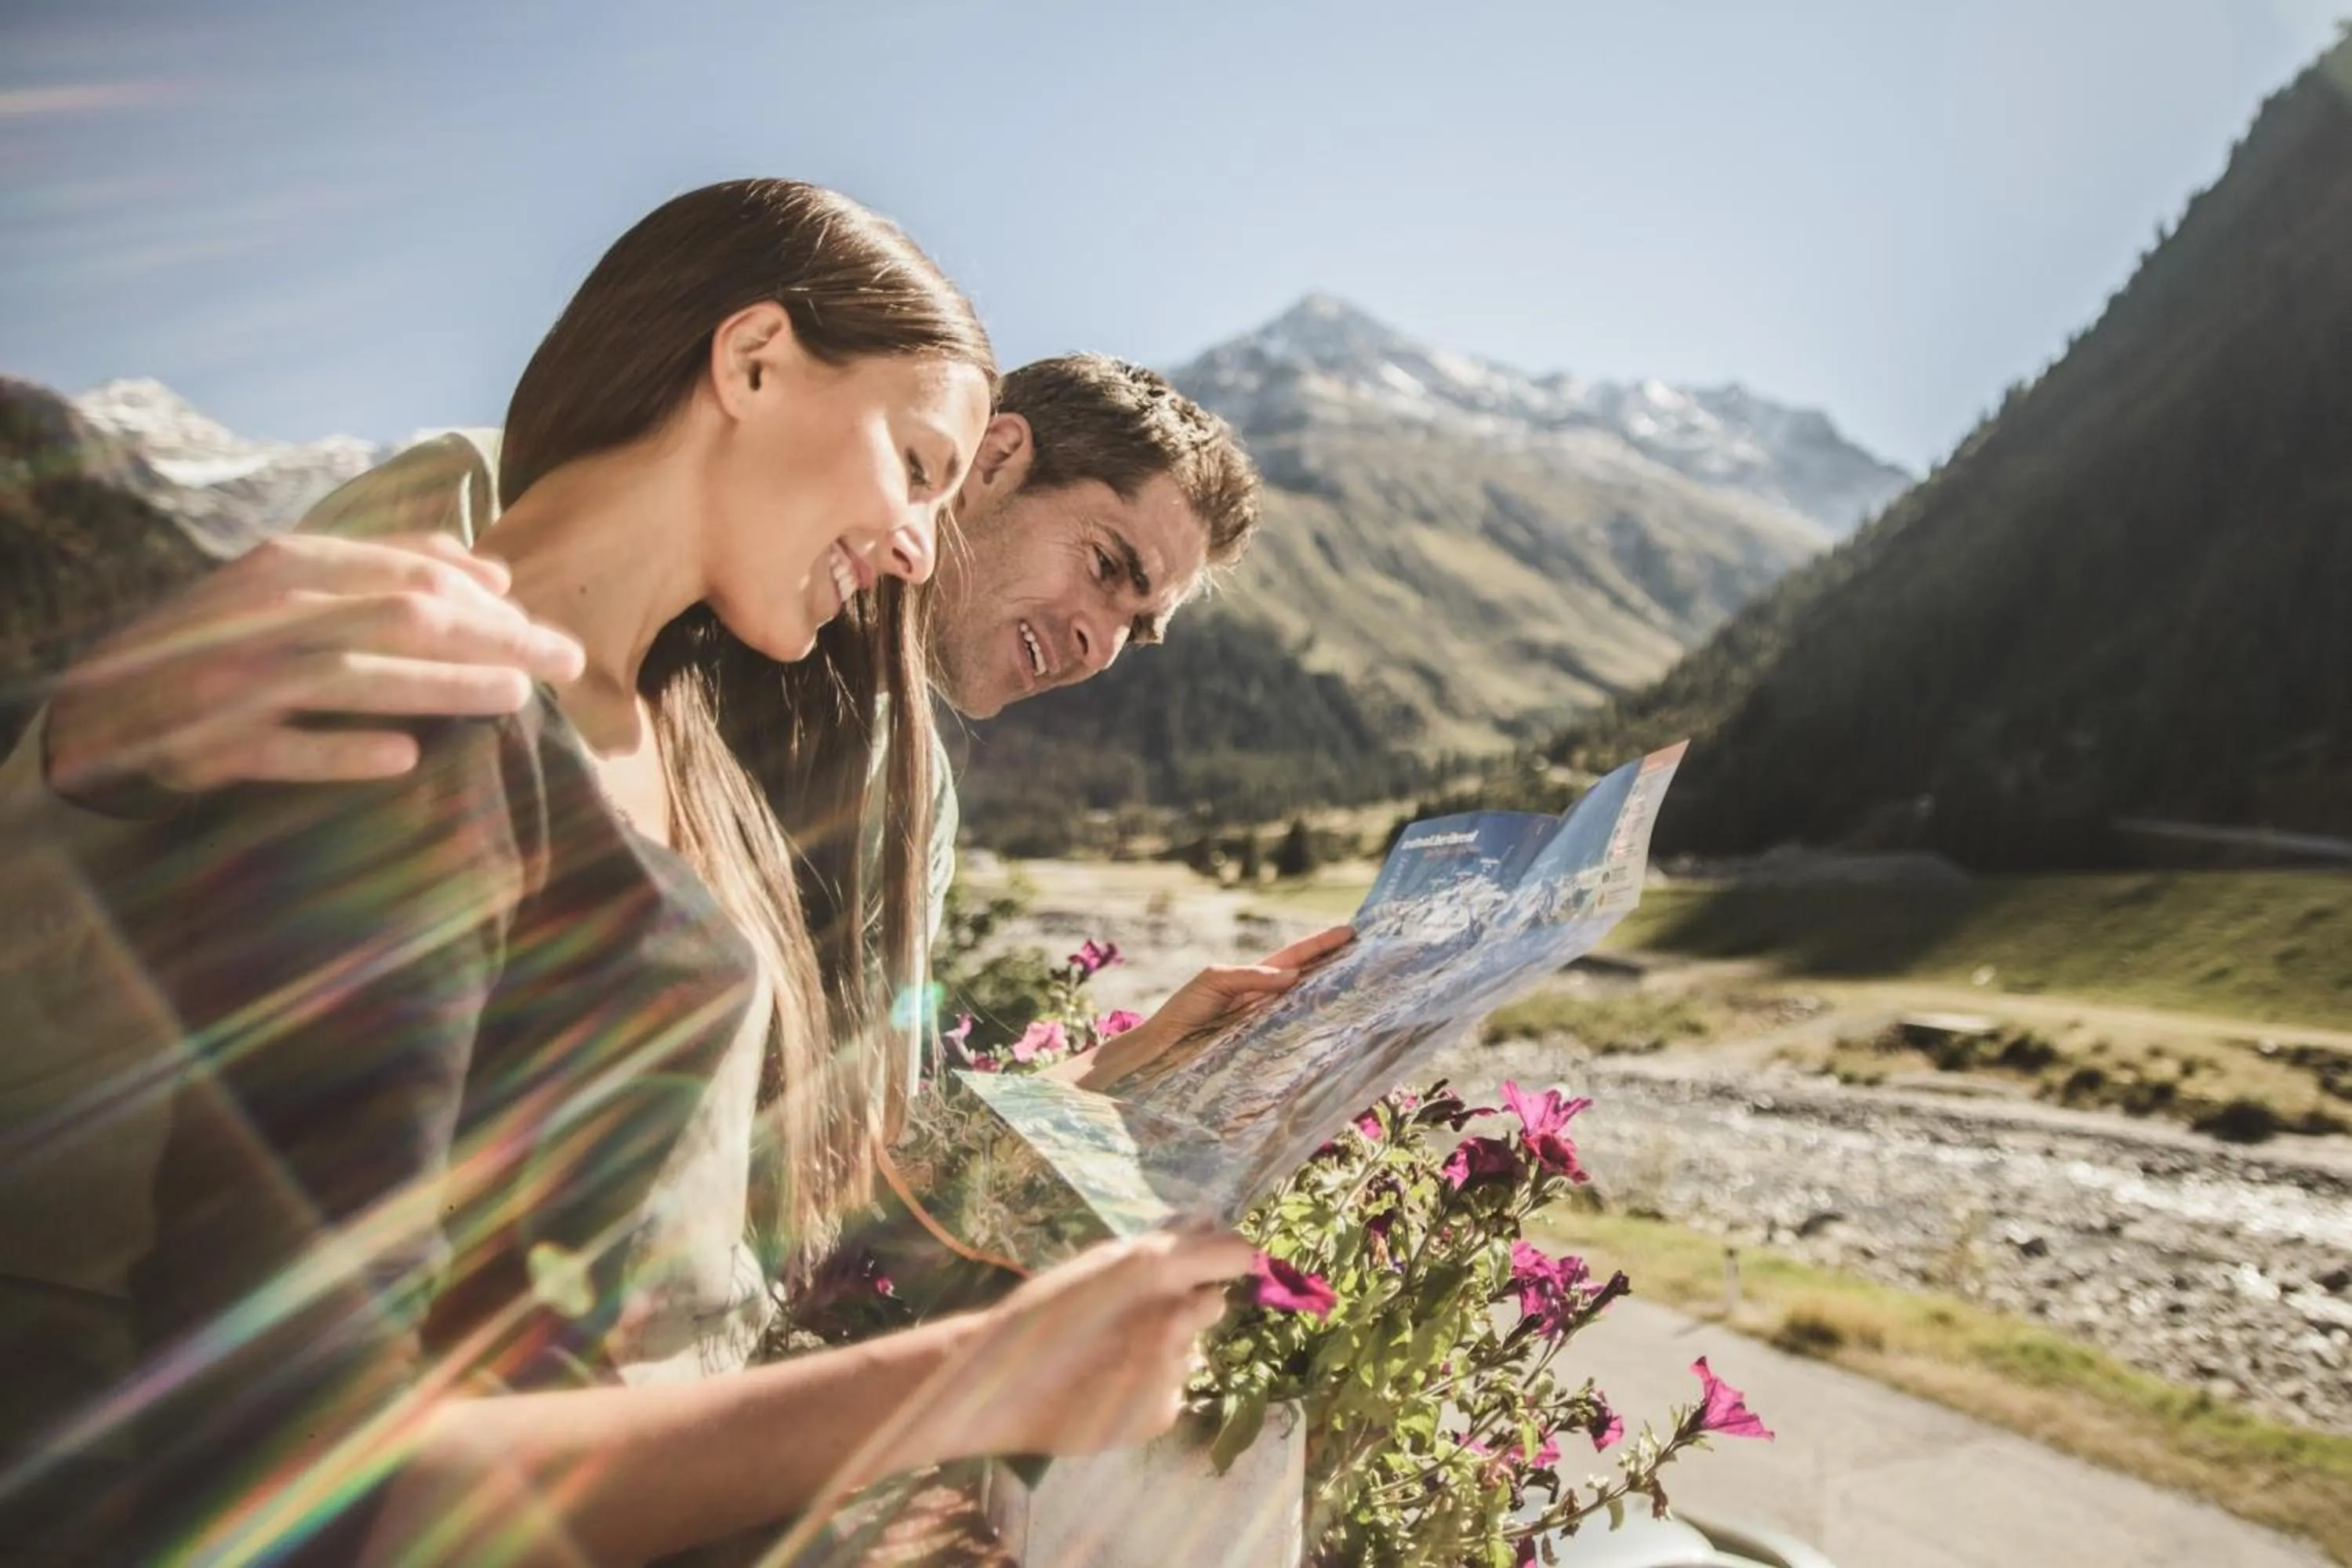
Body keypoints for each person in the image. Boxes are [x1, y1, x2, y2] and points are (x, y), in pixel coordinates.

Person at [0, 177, 1254, 1566]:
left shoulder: (852, 768)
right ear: (757, 362)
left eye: (1139, 632)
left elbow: (822, 1147)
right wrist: (106, 741)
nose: (1098, 642)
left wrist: (1136, 1067)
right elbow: (301, 1425)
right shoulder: (481, 592)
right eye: (1106, 566)